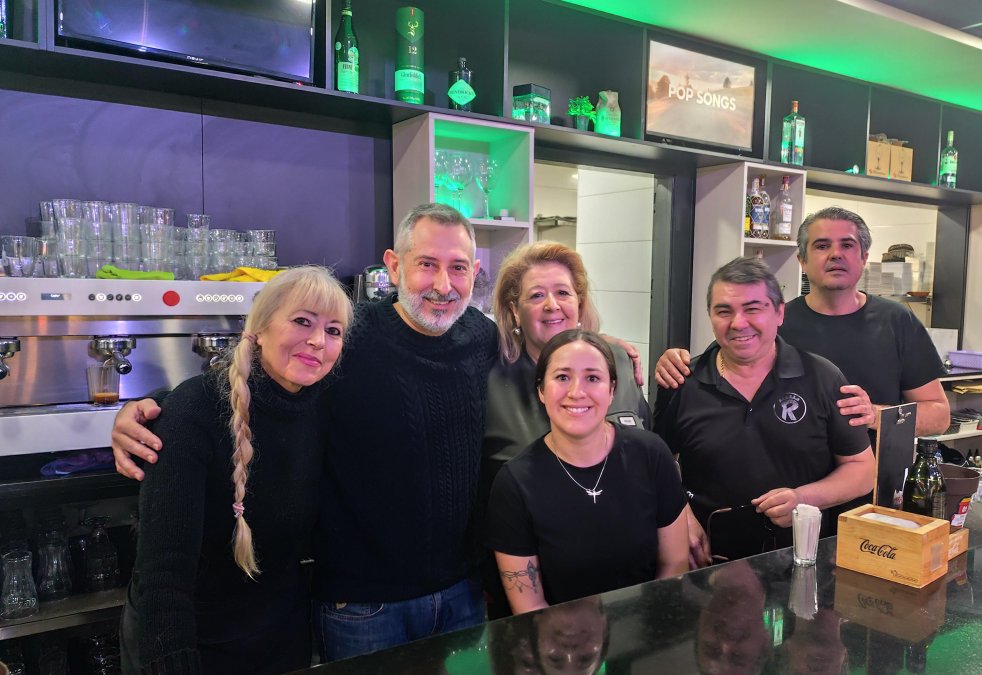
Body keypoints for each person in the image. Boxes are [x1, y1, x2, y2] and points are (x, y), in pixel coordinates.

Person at [112, 203, 499, 660]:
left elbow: (548, 363)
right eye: (426, 265)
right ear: (394, 266)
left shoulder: (483, 337)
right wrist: (151, 407)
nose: (442, 285)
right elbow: (253, 389)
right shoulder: (353, 336)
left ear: (475, 272)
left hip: (457, 595)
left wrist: (606, 349)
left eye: (457, 268)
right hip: (363, 605)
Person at [120, 266, 353, 674]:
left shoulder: (324, 406)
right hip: (188, 639)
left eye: (333, 331)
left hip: (279, 634)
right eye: (302, 321)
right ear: (259, 329)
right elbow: (163, 571)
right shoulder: (194, 411)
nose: (318, 341)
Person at [655, 205, 949, 437]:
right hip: (791, 491)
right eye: (822, 246)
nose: (835, 254)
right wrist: (674, 363)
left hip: (872, 495)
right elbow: (719, 364)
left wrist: (874, 414)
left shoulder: (897, 321)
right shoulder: (775, 321)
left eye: (847, 245)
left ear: (864, 257)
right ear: (802, 261)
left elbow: (939, 415)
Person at [654, 257, 874, 564]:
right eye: (724, 311)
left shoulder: (822, 378)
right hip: (709, 566)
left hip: (804, 560)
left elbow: (862, 469)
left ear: (779, 312)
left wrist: (803, 498)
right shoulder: (682, 382)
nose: (738, 323)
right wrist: (682, 517)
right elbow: (656, 467)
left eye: (753, 308)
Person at [483, 242, 650, 618]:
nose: (551, 305)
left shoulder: (619, 363)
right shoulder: (489, 379)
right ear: (514, 310)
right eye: (536, 295)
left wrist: (682, 513)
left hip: (628, 586)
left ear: (580, 302)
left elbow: (650, 453)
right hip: (532, 592)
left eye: (563, 293)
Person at [488, 330, 689, 613]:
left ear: (612, 389)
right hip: (560, 647)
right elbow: (529, 606)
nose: (576, 392)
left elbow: (674, 565)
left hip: (646, 639)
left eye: (592, 378)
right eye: (562, 377)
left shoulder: (652, 455)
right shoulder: (515, 483)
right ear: (541, 391)